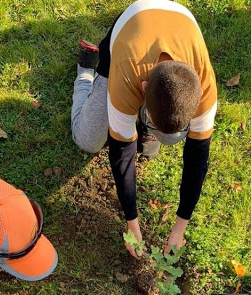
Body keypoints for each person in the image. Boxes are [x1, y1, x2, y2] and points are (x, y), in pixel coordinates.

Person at [71, 0, 217, 258]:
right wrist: (132, 223)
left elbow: (198, 158)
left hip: (176, 27)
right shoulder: (127, 75)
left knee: (170, 136)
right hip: (126, 37)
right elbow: (122, 154)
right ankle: (85, 74)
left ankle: (146, 120)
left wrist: (180, 227)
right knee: (88, 140)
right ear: (143, 88)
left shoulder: (204, 84)